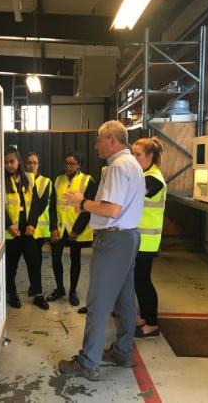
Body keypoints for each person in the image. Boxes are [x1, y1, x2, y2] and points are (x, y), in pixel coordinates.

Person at [58, 120, 145, 381]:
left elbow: (111, 210)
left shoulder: (118, 167)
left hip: (114, 240)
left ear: (112, 140)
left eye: (98, 139)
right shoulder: (132, 164)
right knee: (125, 298)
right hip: (128, 237)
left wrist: (82, 202)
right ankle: (122, 351)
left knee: (98, 302)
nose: (95, 144)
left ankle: (88, 362)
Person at [47, 152, 96, 307]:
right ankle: (60, 288)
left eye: (72, 163)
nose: (68, 166)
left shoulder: (87, 180)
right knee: (55, 259)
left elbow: (88, 209)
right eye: (66, 163)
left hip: (76, 229)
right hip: (60, 229)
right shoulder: (58, 180)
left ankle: (73, 291)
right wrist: (53, 227)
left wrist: (76, 230)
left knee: (75, 260)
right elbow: (52, 207)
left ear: (79, 165)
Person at [4, 147, 49, 310]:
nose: (9, 165)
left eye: (12, 161)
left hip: (28, 230)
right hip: (12, 232)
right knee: (11, 265)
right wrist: (8, 225)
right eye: (6, 162)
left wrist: (32, 224)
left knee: (34, 263)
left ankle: (38, 295)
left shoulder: (29, 179)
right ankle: (12, 294)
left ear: (18, 162)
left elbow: (35, 204)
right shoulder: (1, 182)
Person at [131, 137, 166, 339]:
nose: (134, 158)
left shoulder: (154, 179)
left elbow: (134, 194)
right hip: (139, 239)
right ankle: (145, 317)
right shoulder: (143, 174)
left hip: (148, 240)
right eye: (132, 154)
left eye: (137, 154)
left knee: (143, 281)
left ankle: (152, 324)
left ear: (150, 156)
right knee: (139, 280)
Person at [24, 152, 52, 297]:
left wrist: (31, 223)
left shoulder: (45, 181)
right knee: (31, 260)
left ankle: (36, 289)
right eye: (29, 162)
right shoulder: (21, 181)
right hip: (25, 228)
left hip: (39, 229)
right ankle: (34, 287)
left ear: (38, 165)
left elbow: (40, 205)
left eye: (35, 162)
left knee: (36, 259)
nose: (32, 165)